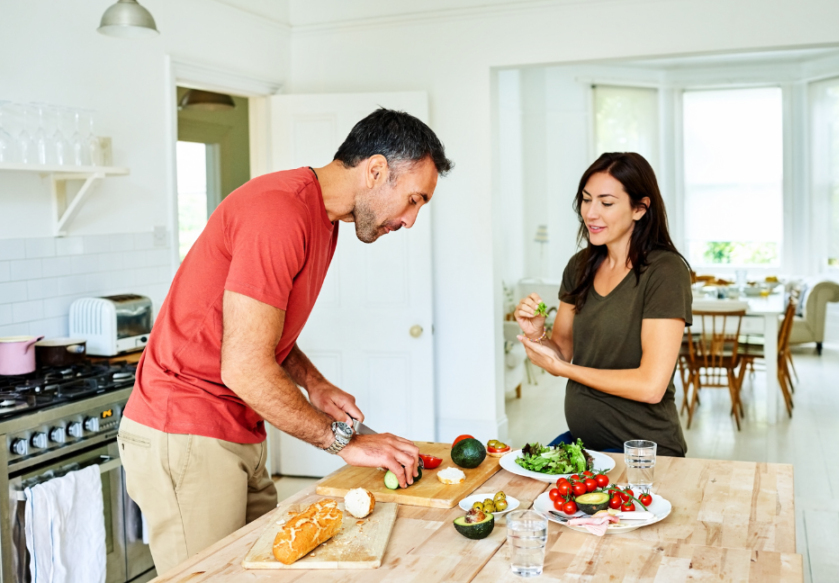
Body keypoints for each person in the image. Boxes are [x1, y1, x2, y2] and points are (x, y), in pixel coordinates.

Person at [117, 108, 453, 574]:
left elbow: (256, 329)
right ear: (375, 170)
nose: (411, 219)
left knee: (266, 571)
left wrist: (314, 383)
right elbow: (244, 366)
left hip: (237, 424)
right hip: (188, 428)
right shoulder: (279, 212)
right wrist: (343, 443)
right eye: (414, 199)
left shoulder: (324, 219)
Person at [514, 152, 691, 457]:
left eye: (606, 203)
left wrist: (566, 370)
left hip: (642, 450)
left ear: (640, 208)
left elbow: (651, 386)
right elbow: (563, 354)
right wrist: (536, 334)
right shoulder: (579, 267)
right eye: (586, 200)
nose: (590, 213)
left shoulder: (665, 271)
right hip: (587, 444)